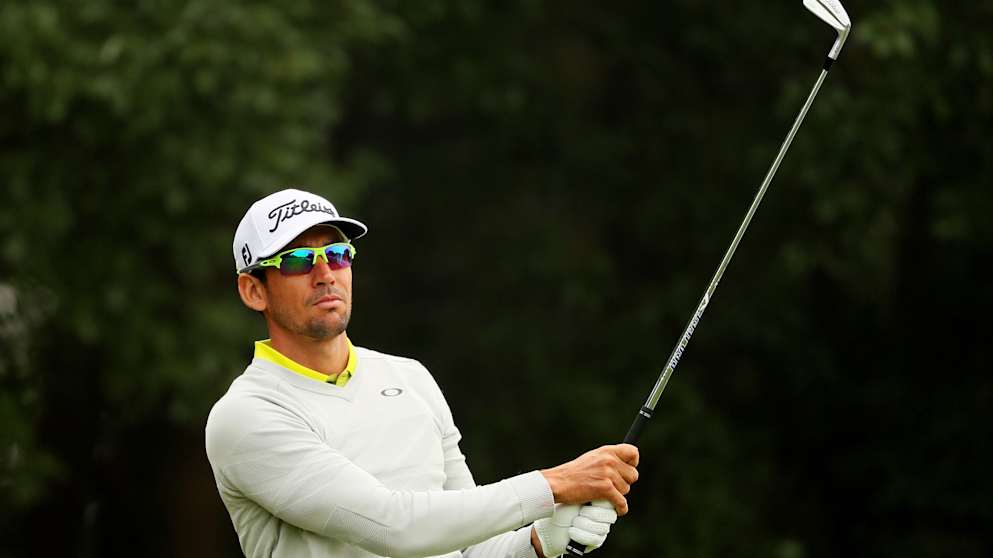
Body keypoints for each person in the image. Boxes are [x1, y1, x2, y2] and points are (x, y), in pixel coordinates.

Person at [206, 188, 640, 558]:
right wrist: (555, 485)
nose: (325, 274)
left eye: (338, 255)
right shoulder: (246, 415)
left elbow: (467, 547)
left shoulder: (409, 377)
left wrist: (541, 540)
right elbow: (394, 526)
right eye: (299, 261)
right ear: (253, 289)